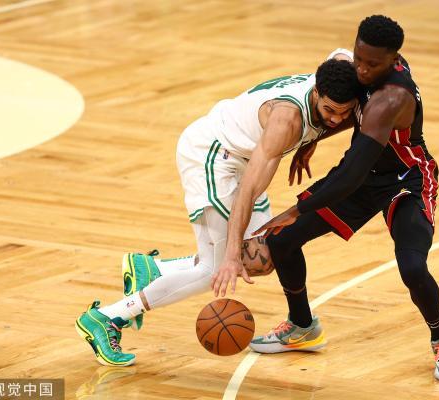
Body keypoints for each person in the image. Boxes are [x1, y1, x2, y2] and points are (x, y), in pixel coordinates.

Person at [74, 58, 360, 366]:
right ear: (316, 91)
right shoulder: (286, 121)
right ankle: (109, 317)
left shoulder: (341, 72)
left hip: (243, 156)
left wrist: (311, 140)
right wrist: (231, 254)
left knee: (262, 258)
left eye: (344, 112)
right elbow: (247, 191)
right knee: (218, 269)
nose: (336, 119)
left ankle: (156, 269)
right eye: (329, 111)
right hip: (212, 156)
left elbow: (343, 55)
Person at [247, 15, 439, 382]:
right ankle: (302, 325)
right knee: (283, 241)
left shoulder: (391, 98)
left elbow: (350, 175)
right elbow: (350, 116)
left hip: (406, 180)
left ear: (394, 59)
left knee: (412, 267)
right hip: (368, 175)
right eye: (359, 58)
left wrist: (297, 208)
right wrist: (315, 138)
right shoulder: (363, 69)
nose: (361, 70)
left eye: (372, 64)